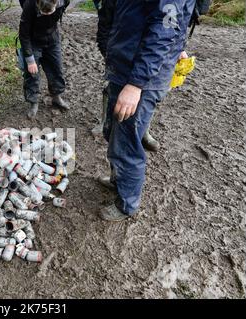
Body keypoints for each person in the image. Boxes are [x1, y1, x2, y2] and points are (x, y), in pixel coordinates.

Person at [97, 0, 196, 221]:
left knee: (127, 140)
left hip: (142, 77)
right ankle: (118, 180)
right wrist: (107, 49)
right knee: (112, 131)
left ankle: (126, 203)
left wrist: (136, 84)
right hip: (122, 66)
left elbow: (165, 29)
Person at [94, 0, 160, 152]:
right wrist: (110, 57)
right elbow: (104, 27)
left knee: (146, 99)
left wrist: (178, 46)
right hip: (120, 57)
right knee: (113, 118)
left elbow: (167, 28)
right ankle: (105, 123)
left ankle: (143, 131)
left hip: (148, 56)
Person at [19, 0, 70, 119]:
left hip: (52, 38)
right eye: (43, 12)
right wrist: (30, 60)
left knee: (56, 68)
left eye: (50, 11)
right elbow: (23, 34)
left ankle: (56, 96)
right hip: (33, 40)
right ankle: (34, 102)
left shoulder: (64, 1)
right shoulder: (29, 5)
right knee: (32, 74)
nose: (47, 15)